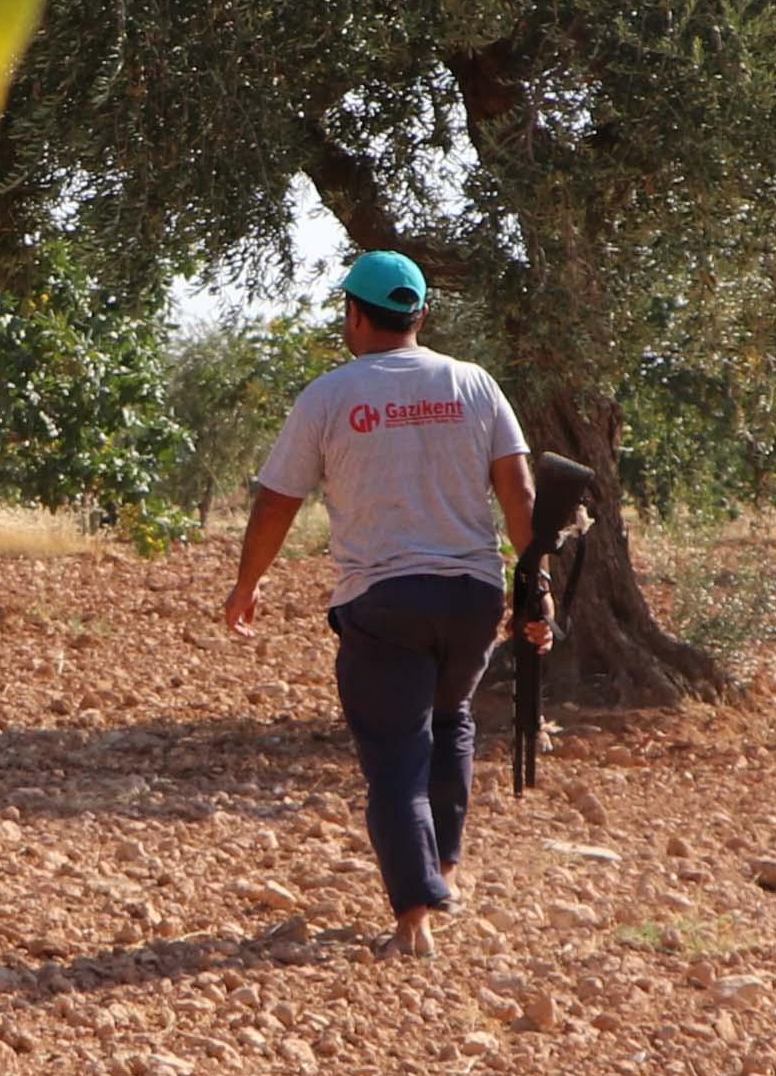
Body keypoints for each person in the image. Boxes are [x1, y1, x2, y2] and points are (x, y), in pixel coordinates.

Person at [223, 250, 542, 959]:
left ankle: (414, 918)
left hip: (383, 599)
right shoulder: (474, 383)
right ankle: (443, 867)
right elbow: (519, 496)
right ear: (420, 314)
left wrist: (247, 583)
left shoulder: (330, 396)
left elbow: (277, 502)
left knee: (396, 754)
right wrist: (536, 583)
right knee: (450, 716)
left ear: (356, 315)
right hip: (472, 598)